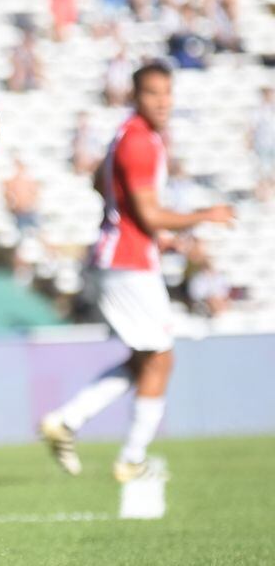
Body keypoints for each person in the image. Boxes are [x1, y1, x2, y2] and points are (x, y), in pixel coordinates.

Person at [40, 64, 235, 482]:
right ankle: (131, 459)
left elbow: (101, 182)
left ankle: (68, 419)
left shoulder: (124, 135)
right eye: (153, 93)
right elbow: (148, 213)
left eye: (168, 92)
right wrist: (206, 214)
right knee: (161, 359)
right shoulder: (142, 141)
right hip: (128, 261)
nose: (163, 101)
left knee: (145, 358)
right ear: (135, 95)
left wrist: (138, 226)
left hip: (122, 254)